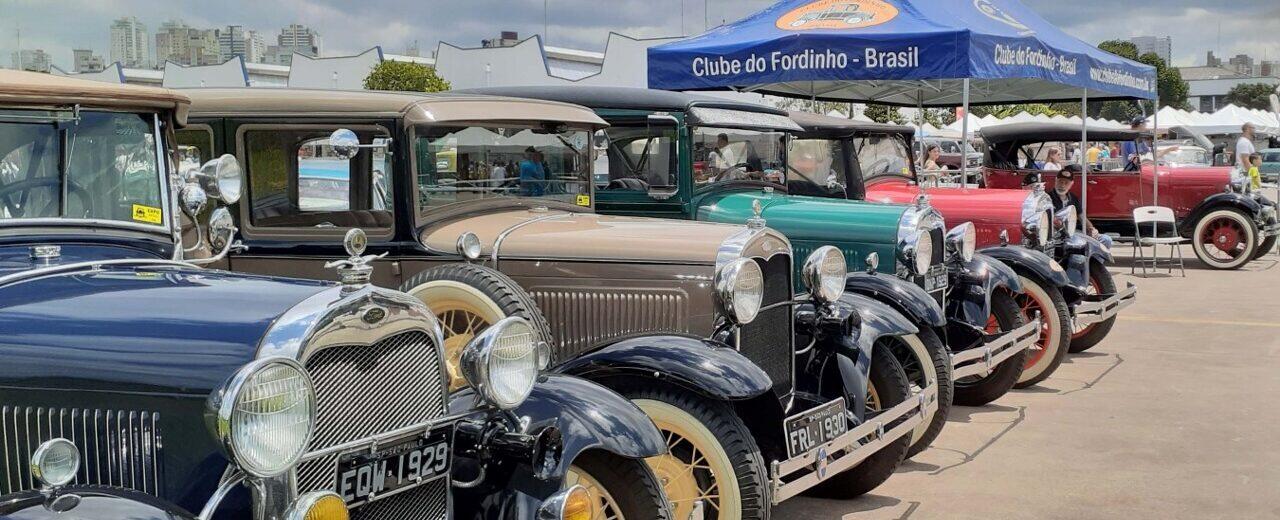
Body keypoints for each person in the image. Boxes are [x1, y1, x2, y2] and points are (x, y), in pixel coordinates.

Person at [1048, 164, 1112, 248]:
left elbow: (1081, 216)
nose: (1062, 185)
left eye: (1066, 183)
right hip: (1058, 236)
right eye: (1060, 182)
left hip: (1075, 232)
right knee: (1078, 255)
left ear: (1071, 184)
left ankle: (1093, 261)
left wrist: (1092, 229)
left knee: (1106, 239)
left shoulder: (1073, 198)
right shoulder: (1047, 198)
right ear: (1056, 181)